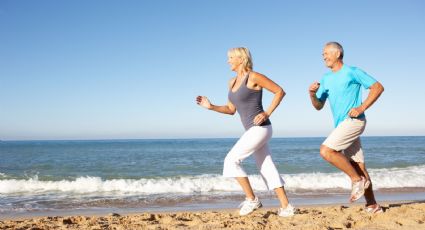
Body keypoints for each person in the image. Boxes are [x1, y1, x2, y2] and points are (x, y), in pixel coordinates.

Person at [196, 47, 294, 217]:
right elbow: (230, 109)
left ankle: (252, 199)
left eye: (231, 57)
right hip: (253, 130)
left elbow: (280, 91)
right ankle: (286, 207)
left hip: (261, 128)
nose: (228, 61)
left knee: (230, 161)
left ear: (241, 59)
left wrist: (266, 113)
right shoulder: (231, 82)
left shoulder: (254, 76)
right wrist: (210, 106)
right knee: (266, 167)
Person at [309, 42, 385, 213]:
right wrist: (312, 94)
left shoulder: (352, 71)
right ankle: (372, 205)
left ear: (338, 53)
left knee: (326, 151)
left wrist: (361, 107)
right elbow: (318, 105)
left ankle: (356, 180)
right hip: (342, 125)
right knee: (359, 166)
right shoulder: (326, 78)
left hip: (355, 121)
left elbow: (378, 87)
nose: (323, 57)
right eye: (323, 54)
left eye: (326, 53)